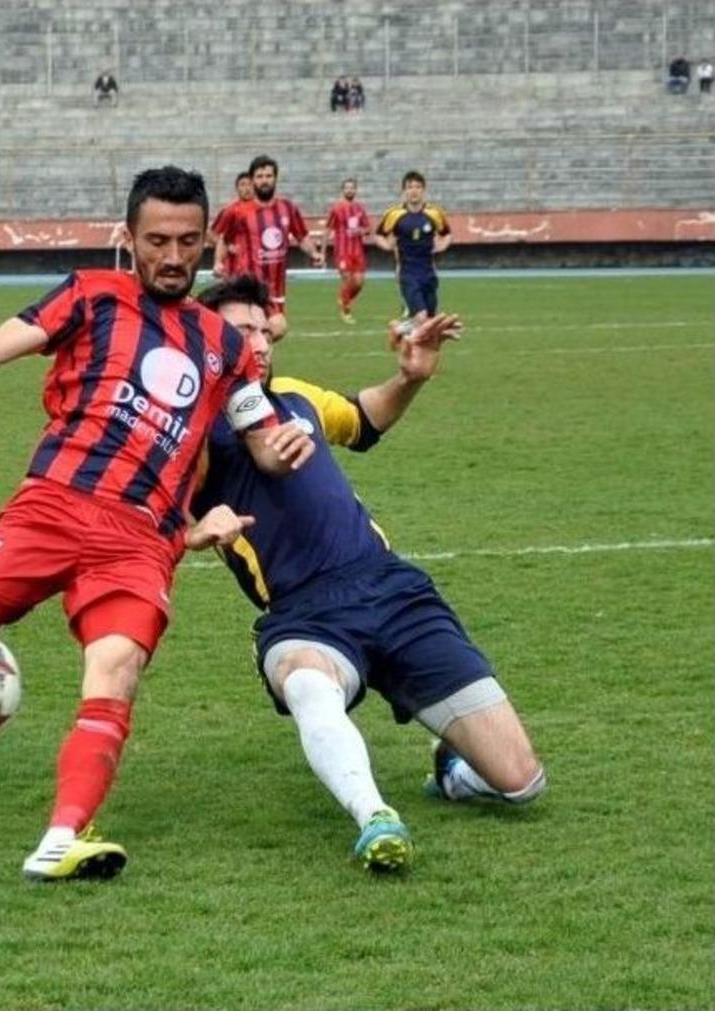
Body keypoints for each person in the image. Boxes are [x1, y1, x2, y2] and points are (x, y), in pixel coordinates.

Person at [0, 166, 314, 883]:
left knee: (116, 669)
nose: (173, 256)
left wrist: (283, 446)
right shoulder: (91, 293)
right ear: (130, 239)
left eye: (187, 241)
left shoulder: (225, 346)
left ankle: (62, 837)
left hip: (140, 541)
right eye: (157, 241)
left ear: (207, 241)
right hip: (51, 508)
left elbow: (260, 438)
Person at [192, 275, 546, 873]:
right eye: (240, 331)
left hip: (391, 590)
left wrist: (409, 378)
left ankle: (453, 772)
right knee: (306, 681)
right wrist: (193, 530)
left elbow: (362, 419)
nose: (258, 341)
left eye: (262, 329)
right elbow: (141, 513)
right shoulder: (192, 433)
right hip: (304, 616)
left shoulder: (296, 397)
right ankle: (374, 816)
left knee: (522, 781)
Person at [211, 154, 324, 341]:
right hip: (249, 285)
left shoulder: (288, 208)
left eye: (269, 176)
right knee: (276, 327)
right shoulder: (238, 212)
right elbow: (223, 239)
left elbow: (301, 236)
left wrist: (314, 253)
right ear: (252, 180)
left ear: (275, 178)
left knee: (265, 334)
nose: (264, 181)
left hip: (276, 287)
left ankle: (248, 356)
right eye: (260, 176)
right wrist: (218, 262)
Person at [374, 170, 451, 325]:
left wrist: (442, 246)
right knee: (421, 317)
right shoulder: (394, 214)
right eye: (410, 187)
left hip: (429, 272)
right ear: (404, 191)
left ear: (423, 190)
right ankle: (405, 327)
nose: (414, 191)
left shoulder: (435, 213)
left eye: (417, 187)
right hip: (407, 273)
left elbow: (447, 233)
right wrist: (387, 246)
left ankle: (403, 330)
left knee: (430, 320)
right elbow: (378, 235)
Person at [324, 178, 371, 324]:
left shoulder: (359, 208)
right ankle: (346, 311)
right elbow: (327, 229)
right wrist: (322, 252)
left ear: (355, 190)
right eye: (347, 188)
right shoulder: (336, 208)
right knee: (348, 279)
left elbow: (368, 228)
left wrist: (360, 230)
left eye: (352, 188)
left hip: (357, 251)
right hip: (342, 251)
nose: (349, 190)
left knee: (359, 282)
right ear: (343, 190)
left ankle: (343, 299)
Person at [209, 171, 254, 279]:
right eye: (243, 185)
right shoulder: (231, 210)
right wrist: (228, 247)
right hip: (235, 266)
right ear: (237, 188)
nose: (247, 188)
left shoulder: (263, 209)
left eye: (250, 184)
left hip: (258, 263)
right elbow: (213, 234)